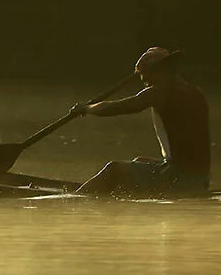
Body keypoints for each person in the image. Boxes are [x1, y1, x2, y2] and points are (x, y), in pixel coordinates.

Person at [71, 47, 210, 196]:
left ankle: (75, 200)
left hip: (178, 177)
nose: (146, 84)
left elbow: (120, 107)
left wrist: (86, 109)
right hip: (201, 178)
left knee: (114, 169)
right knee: (140, 161)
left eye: (146, 79)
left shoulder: (159, 93)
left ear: (159, 71)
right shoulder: (195, 92)